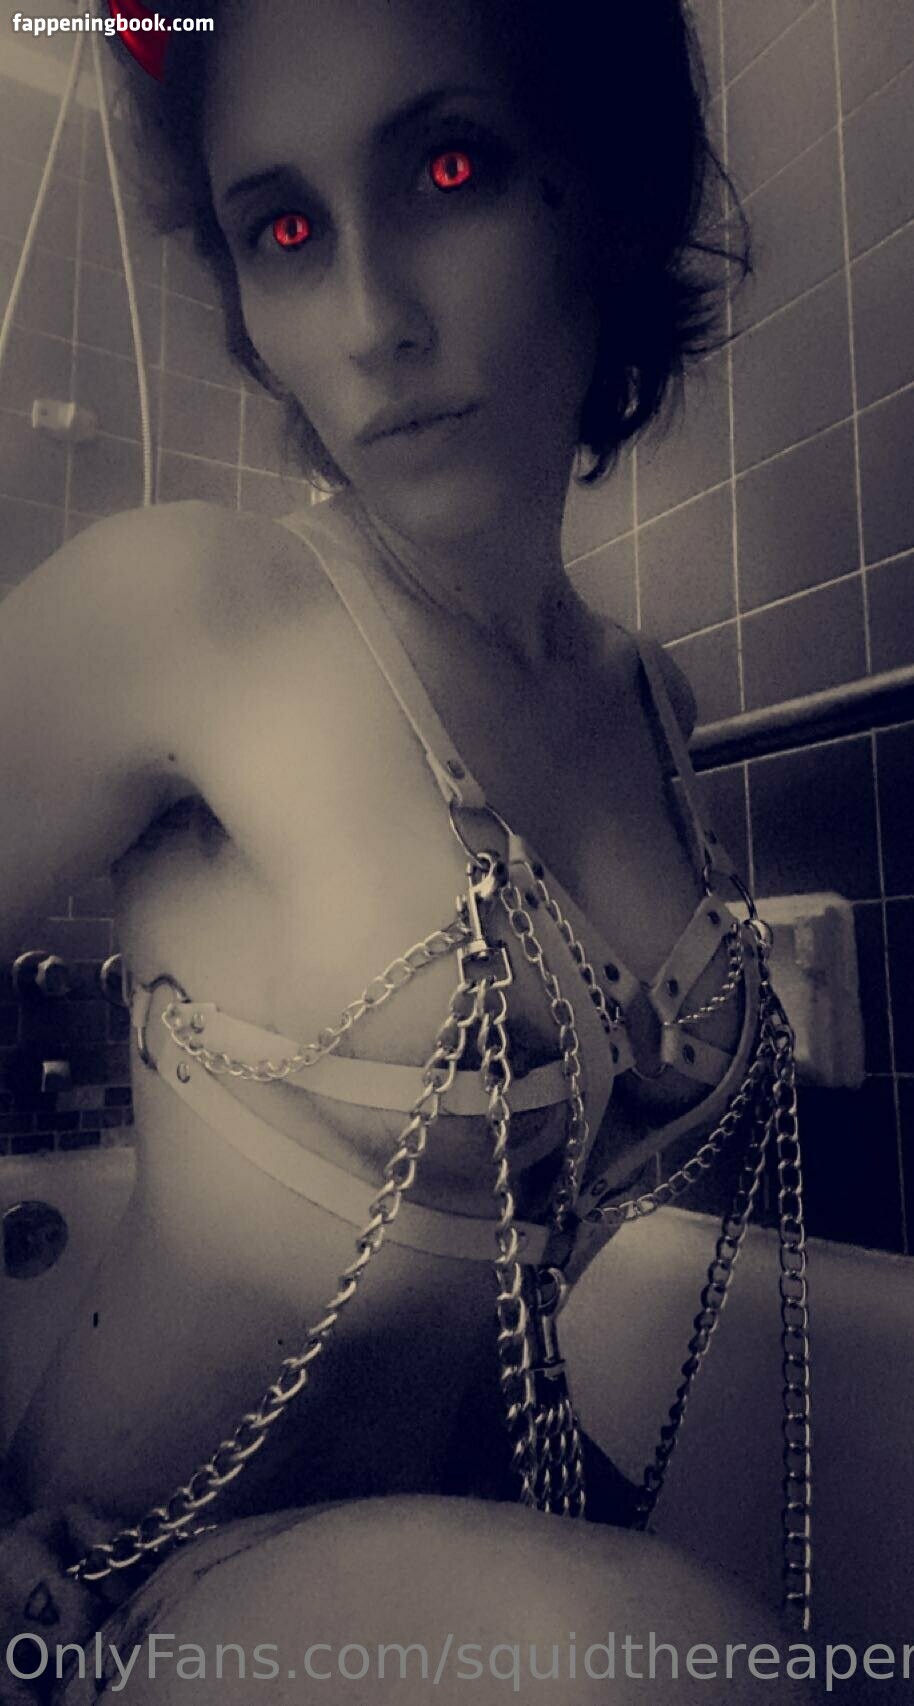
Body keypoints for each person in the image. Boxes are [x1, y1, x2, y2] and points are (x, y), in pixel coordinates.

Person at [0, 1, 814, 1699]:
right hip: (116, 1590)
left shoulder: (653, 707)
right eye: (284, 231)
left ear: (593, 188)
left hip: (450, 1548)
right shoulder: (193, 612)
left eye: (449, 168)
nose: (369, 318)